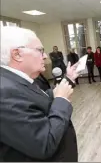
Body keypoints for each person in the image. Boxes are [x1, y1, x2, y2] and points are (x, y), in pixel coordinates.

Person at [0, 26, 79, 161]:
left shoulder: (16, 81)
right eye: (40, 50)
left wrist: (68, 80)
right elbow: (44, 143)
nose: (45, 55)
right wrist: (61, 100)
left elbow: (36, 101)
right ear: (17, 54)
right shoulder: (5, 92)